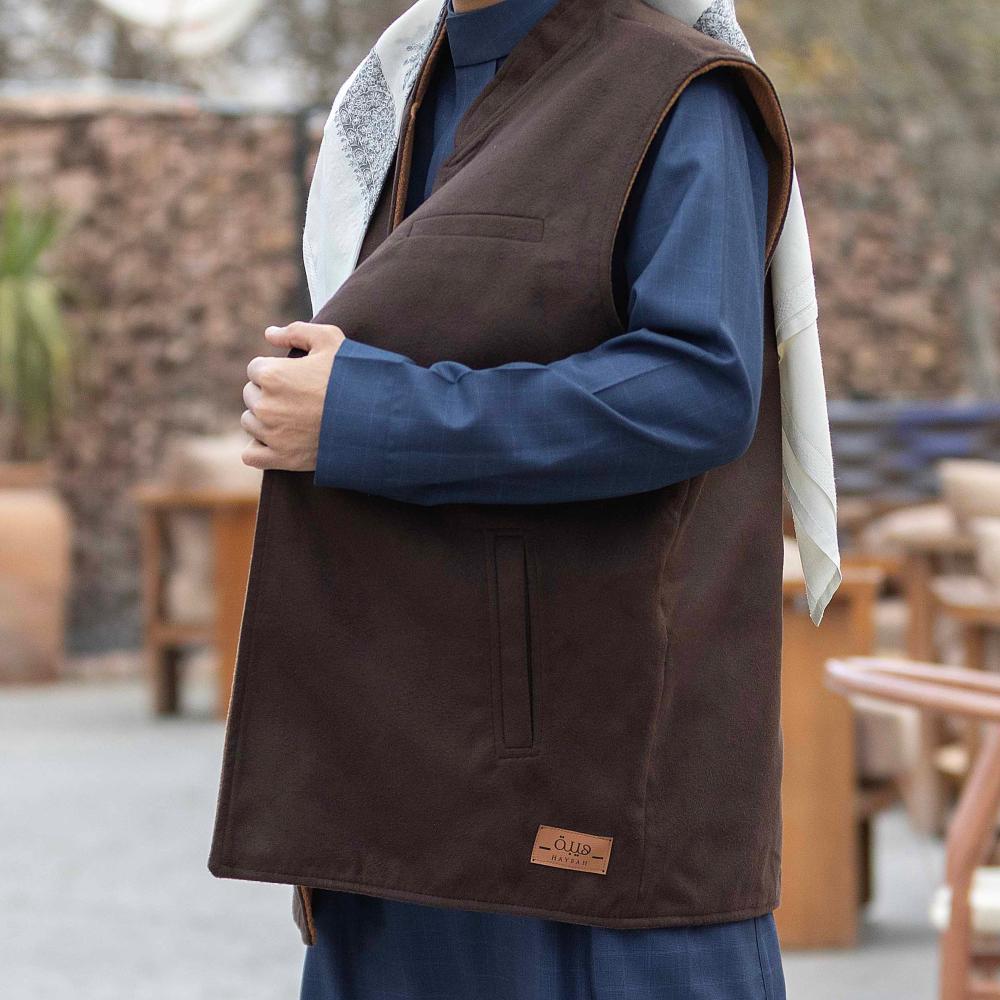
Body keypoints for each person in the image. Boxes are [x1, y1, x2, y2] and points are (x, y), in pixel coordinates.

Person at [209, 0, 829, 996]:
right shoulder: (394, 100)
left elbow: (698, 387)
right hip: (384, 786)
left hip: (586, 810)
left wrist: (365, 414)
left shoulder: (676, 92)